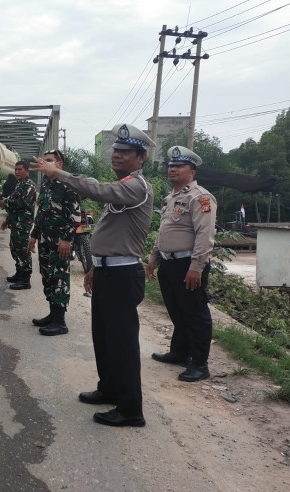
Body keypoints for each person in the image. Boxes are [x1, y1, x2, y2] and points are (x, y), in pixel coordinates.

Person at [31, 124, 153, 427]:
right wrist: (95, 267)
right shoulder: (125, 184)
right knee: (104, 337)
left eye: (125, 152)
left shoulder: (136, 186)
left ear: (141, 157)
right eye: (116, 150)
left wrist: (58, 173)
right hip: (109, 271)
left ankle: (130, 410)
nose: (117, 155)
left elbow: (97, 190)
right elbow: (110, 233)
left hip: (124, 274)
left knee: (122, 343)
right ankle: (109, 388)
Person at [146, 146, 217, 382]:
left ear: (192, 171)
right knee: (177, 311)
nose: (172, 169)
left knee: (195, 314)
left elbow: (204, 235)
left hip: (188, 264)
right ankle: (179, 353)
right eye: (171, 165)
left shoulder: (201, 198)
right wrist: (154, 257)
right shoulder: (171, 198)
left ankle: (200, 364)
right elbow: (164, 230)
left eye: (179, 166)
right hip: (169, 263)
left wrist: (196, 267)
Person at [27, 149, 82, 336]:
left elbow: (75, 215)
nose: (45, 163)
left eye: (49, 160)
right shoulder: (47, 186)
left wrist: (67, 239)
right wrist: (34, 235)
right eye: (44, 160)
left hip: (60, 243)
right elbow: (41, 214)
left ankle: (60, 321)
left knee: (59, 278)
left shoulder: (68, 184)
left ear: (60, 164)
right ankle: (52, 314)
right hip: (45, 241)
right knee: (48, 277)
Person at [0, 161, 36, 290]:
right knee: (15, 249)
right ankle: (19, 274)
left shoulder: (29, 185)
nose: (17, 172)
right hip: (16, 223)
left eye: (20, 169)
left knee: (23, 250)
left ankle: (25, 280)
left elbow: (22, 203)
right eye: (16, 169)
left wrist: (5, 202)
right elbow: (14, 205)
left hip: (23, 223)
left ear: (27, 171)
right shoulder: (20, 185)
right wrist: (7, 220)